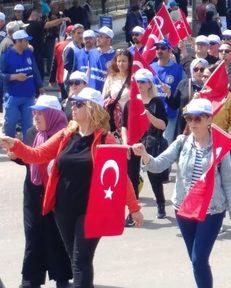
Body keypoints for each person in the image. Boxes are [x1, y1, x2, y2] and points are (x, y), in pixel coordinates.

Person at [1, 88, 143, 287]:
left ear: (92, 108)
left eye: (78, 104)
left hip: (91, 211)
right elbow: (37, 154)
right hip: (63, 210)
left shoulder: (105, 139)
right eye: (72, 103)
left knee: (80, 261)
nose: (72, 107)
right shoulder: (66, 134)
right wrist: (15, 144)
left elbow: (122, 178)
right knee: (76, 258)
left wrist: (134, 208)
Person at [134, 98, 231, 288]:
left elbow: (229, 181)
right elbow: (159, 165)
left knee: (199, 259)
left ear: (209, 119)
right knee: (196, 261)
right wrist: (144, 155)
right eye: (189, 118)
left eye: (197, 119)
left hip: (211, 211)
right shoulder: (181, 142)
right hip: (184, 210)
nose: (192, 123)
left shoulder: (220, 147)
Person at [9, 95, 72, 288]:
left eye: (40, 113)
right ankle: (30, 280)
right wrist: (16, 156)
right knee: (33, 235)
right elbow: (30, 158)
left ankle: (61, 279)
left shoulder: (67, 138)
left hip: (57, 197)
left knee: (56, 237)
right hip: (33, 194)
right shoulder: (30, 134)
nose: (35, 117)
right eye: (34, 112)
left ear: (52, 114)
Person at [123, 68, 169, 221]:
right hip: (133, 143)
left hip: (151, 142)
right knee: (132, 177)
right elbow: (124, 125)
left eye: (142, 82)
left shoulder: (156, 103)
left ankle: (161, 203)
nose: (139, 84)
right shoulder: (130, 102)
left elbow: (163, 125)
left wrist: (149, 115)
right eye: (137, 82)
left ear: (150, 84)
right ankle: (133, 210)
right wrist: (125, 144)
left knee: (153, 176)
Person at [1, 30, 43, 138]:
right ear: (18, 41)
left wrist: (40, 85)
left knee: (28, 125)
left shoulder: (28, 52)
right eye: (25, 41)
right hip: (12, 95)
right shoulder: (6, 56)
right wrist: (15, 77)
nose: (27, 43)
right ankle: (10, 145)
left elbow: (34, 69)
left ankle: (27, 149)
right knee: (10, 122)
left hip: (29, 95)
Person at [151, 39, 186, 142]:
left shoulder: (178, 70)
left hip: (169, 114)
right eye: (157, 48)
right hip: (153, 113)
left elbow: (183, 92)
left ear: (170, 51)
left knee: (166, 143)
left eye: (162, 48)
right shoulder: (150, 68)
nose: (159, 50)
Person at [102, 49, 132, 139]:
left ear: (129, 62)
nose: (121, 64)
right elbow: (104, 97)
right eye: (119, 61)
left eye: (124, 61)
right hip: (113, 119)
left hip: (129, 119)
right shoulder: (111, 77)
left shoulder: (134, 78)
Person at [87, 26, 115, 92]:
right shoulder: (92, 52)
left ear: (109, 40)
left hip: (105, 94)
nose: (97, 38)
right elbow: (88, 71)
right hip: (91, 93)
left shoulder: (115, 56)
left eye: (101, 36)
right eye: (97, 36)